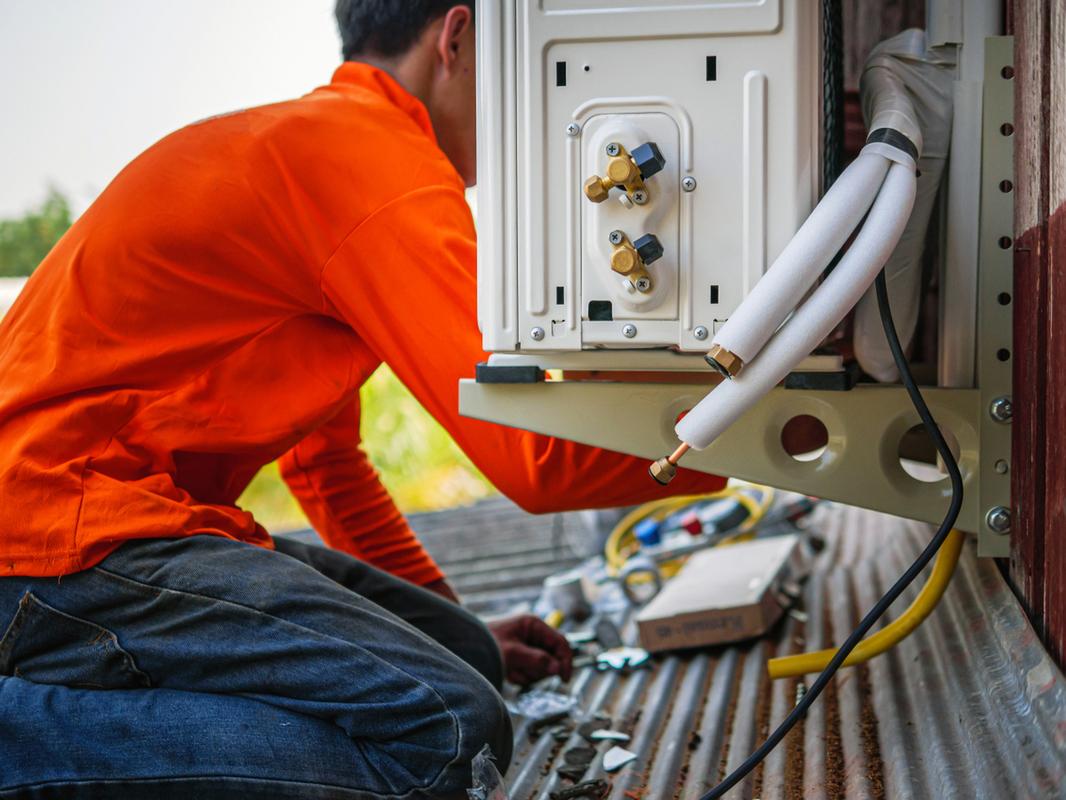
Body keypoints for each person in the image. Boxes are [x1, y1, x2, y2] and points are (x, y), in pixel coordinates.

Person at [0, 1, 724, 796]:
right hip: (54, 542)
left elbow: (325, 465)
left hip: (80, 529)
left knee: (468, 663)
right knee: (447, 735)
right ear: (457, 37)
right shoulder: (376, 162)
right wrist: (753, 431)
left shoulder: (322, 152)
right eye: (528, 60)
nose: (540, 100)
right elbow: (538, 462)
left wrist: (449, 632)